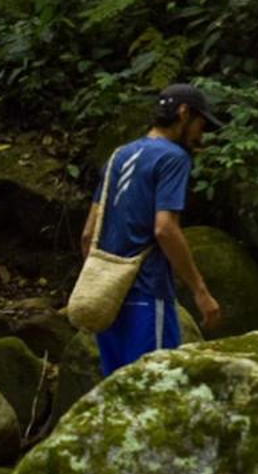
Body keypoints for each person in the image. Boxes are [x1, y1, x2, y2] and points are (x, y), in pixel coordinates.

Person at [80, 83, 225, 376]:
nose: (201, 134)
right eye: (201, 124)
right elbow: (164, 229)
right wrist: (200, 291)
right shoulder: (173, 157)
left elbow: (88, 233)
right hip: (147, 293)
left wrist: (104, 279)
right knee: (152, 388)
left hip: (108, 299)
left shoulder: (118, 156)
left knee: (118, 393)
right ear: (184, 113)